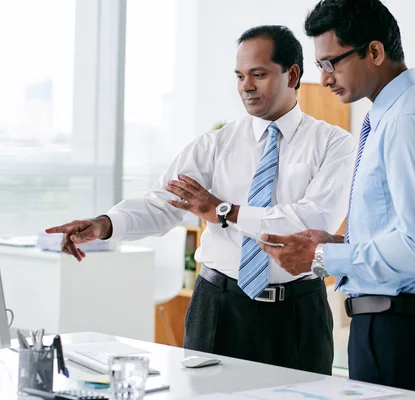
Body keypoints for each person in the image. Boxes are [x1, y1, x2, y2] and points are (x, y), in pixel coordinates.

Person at [46, 25, 356, 375]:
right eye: (239, 76)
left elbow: (312, 223)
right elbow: (162, 203)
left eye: (258, 74)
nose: (246, 86)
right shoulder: (215, 145)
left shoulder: (334, 144)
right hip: (219, 309)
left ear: (293, 74)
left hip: (298, 314)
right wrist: (105, 224)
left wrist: (224, 211)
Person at [258, 1, 415, 398]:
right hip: (395, 326)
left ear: (374, 52)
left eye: (331, 63)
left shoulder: (408, 120)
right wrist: (336, 244)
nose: (324, 78)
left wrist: (320, 259)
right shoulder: (396, 114)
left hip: (402, 330)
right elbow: (402, 230)